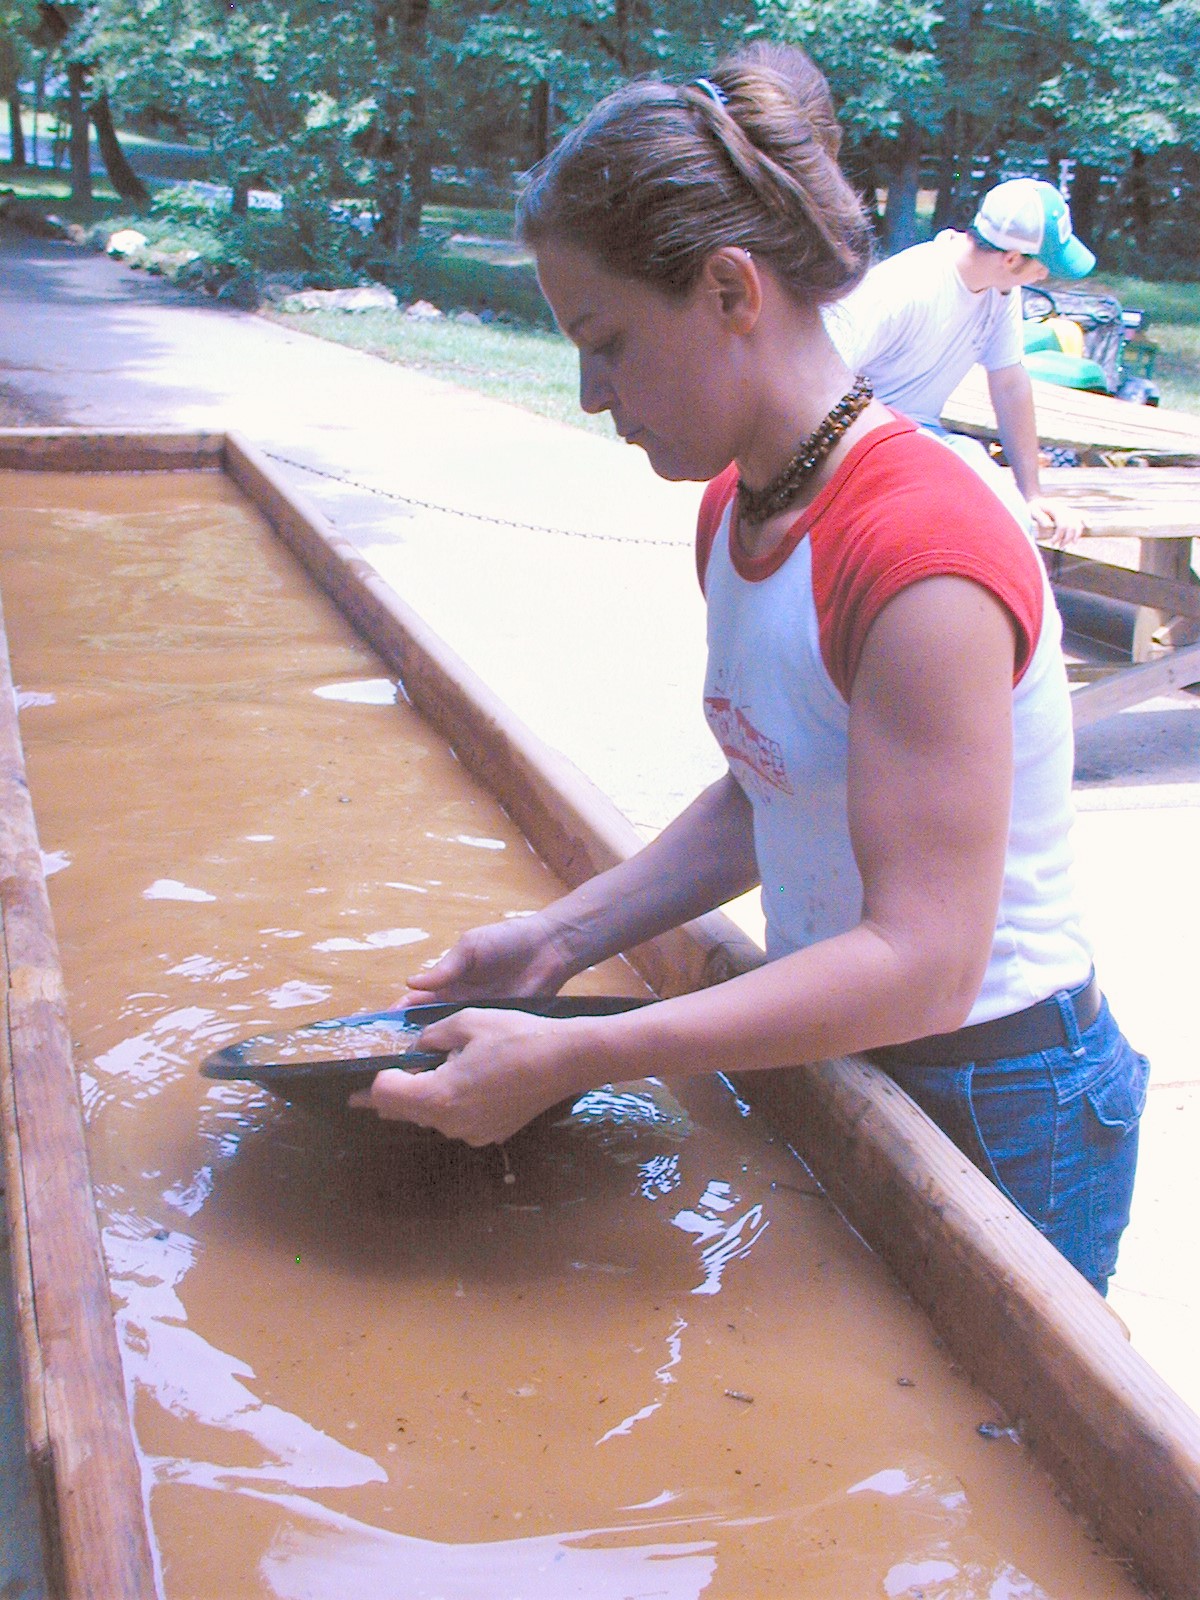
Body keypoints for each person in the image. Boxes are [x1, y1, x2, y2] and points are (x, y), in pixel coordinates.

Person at [349, 45, 1148, 1296]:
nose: (589, 392)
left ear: (730, 290)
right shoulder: (741, 505)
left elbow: (930, 958)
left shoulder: (920, 547)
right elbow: (771, 787)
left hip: (1002, 1093)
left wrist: (583, 1057)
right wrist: (558, 941)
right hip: (842, 1042)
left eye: (605, 340)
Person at [823, 177, 1096, 545]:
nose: (1045, 275)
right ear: (1011, 258)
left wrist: (1031, 495)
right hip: (858, 446)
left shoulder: (1001, 290)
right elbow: (819, 378)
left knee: (1000, 499)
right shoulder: (906, 287)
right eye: (1043, 265)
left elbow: (1010, 384)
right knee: (966, 496)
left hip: (920, 436)